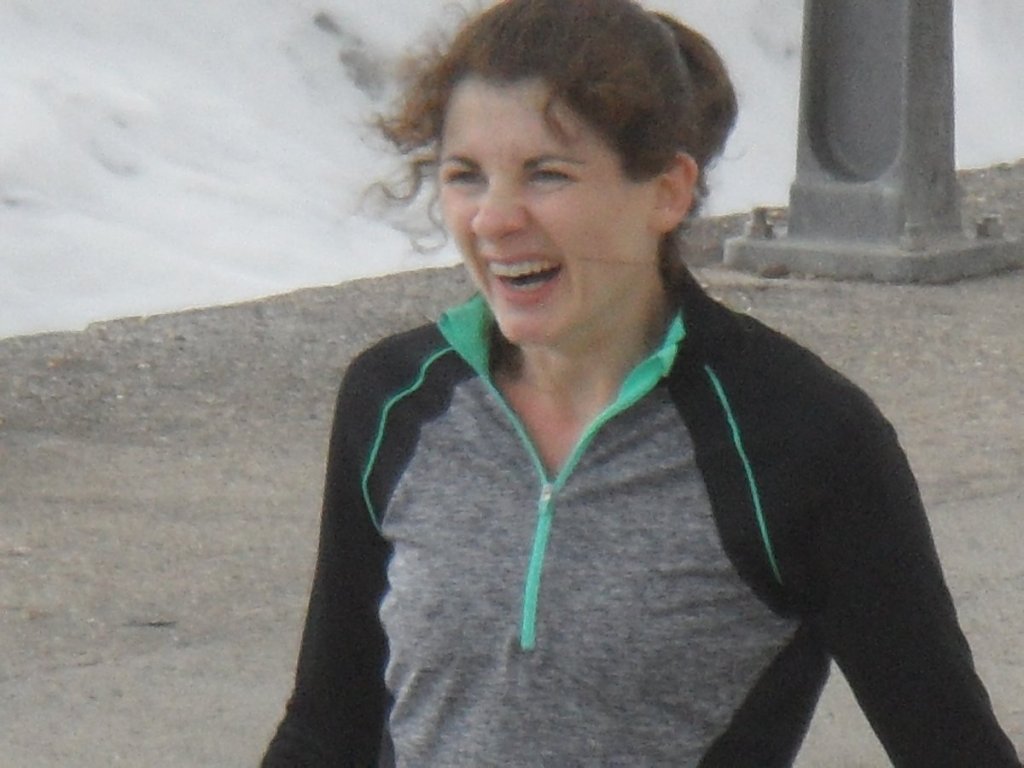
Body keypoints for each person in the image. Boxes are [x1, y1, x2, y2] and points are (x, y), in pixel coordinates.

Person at [262, 1, 1021, 765]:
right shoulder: (395, 400)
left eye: (546, 175)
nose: (493, 220)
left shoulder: (799, 436)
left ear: (667, 191)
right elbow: (327, 729)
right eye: (465, 176)